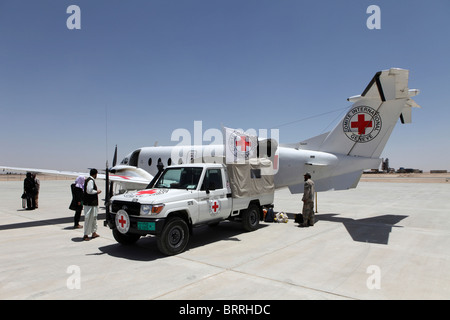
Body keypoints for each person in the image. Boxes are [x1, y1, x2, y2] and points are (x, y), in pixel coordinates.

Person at [83, 169, 102, 241]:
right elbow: (89, 190)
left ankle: (94, 232)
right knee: (88, 219)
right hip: (89, 204)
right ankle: (86, 235)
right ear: (95, 174)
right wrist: (97, 191)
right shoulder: (90, 181)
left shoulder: (91, 180)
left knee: (94, 218)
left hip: (93, 204)